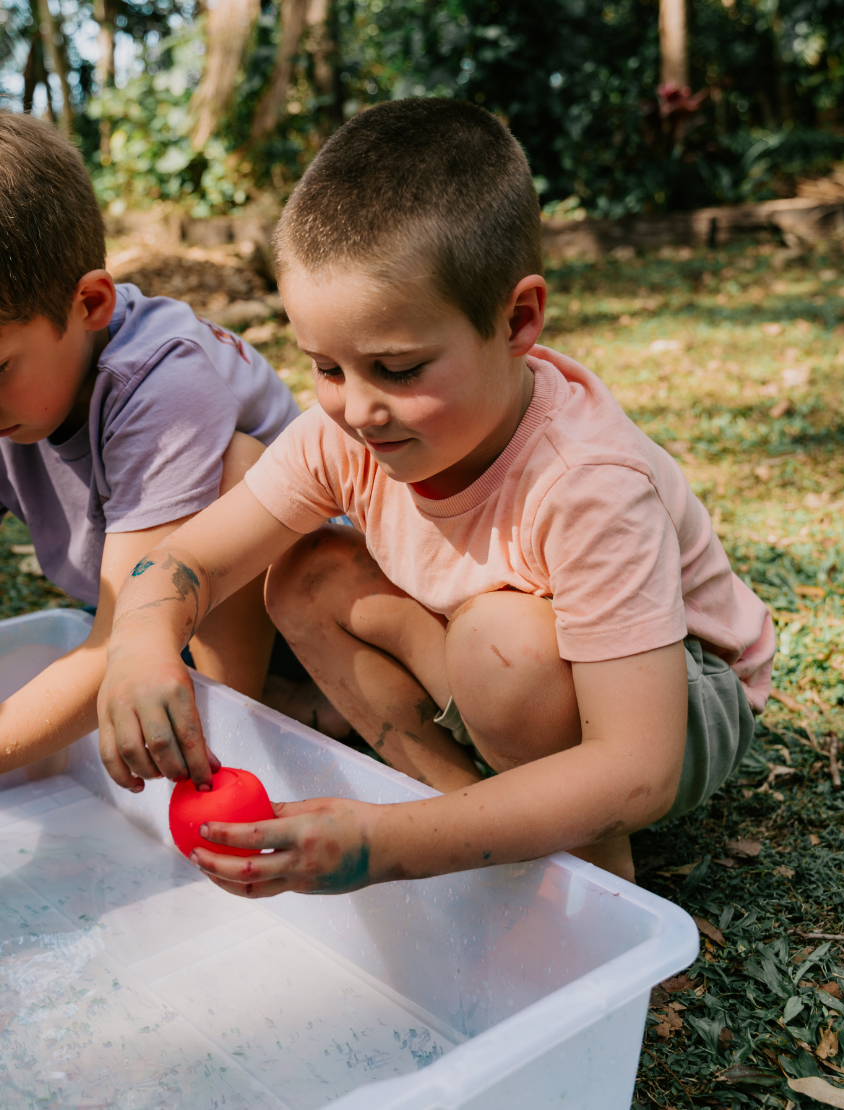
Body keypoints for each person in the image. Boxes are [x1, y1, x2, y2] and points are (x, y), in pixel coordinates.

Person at [97, 98, 775, 884]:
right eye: (326, 367)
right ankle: (457, 806)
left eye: (400, 368)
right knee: (306, 573)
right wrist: (140, 646)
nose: (356, 408)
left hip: (674, 703)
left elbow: (639, 766)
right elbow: (193, 561)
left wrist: (383, 846)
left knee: (503, 651)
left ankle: (592, 874)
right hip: (496, 648)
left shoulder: (587, 483)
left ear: (518, 319)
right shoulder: (348, 433)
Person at [0, 111, 308, 784]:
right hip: (143, 613)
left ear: (90, 304)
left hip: (305, 615)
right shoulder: (22, 388)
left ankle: (236, 727)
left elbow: (121, 643)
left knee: (238, 473)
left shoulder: (163, 384)